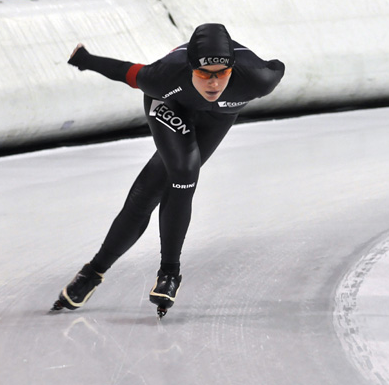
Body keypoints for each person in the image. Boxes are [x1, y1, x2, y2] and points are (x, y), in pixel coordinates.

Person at [51, 23, 285, 316]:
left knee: (152, 189)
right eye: (203, 74)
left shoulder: (258, 78)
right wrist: (85, 59)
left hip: (218, 118)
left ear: (233, 68)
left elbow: (278, 66)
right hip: (170, 104)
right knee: (184, 170)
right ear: (190, 68)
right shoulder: (164, 75)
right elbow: (127, 71)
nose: (213, 83)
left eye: (221, 74)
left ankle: (92, 272)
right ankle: (169, 274)